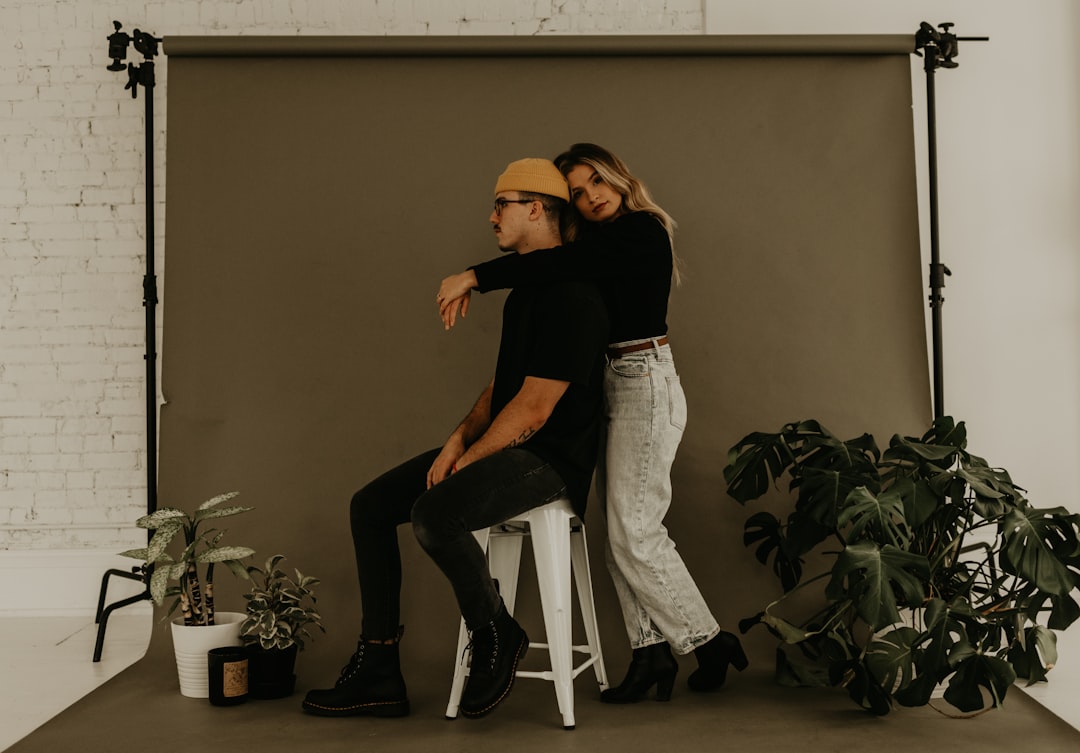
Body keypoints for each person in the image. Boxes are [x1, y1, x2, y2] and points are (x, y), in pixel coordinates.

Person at [435, 143, 747, 704]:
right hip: (611, 381)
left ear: (619, 178)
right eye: (576, 191)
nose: (590, 196)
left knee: (634, 533)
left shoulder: (643, 230)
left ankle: (709, 641)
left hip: (644, 379)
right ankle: (649, 654)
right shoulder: (594, 245)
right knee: (619, 535)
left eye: (596, 181)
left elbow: (560, 264)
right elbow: (558, 268)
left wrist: (473, 277)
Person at [301, 158, 608, 720]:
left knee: (435, 512)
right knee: (370, 507)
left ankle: (496, 631)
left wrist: (471, 459)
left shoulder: (574, 294)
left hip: (549, 458)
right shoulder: (527, 292)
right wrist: (455, 442)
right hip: (511, 442)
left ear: (536, 208)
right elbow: (502, 389)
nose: (491, 217)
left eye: (501, 204)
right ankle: (379, 667)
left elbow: (536, 408)